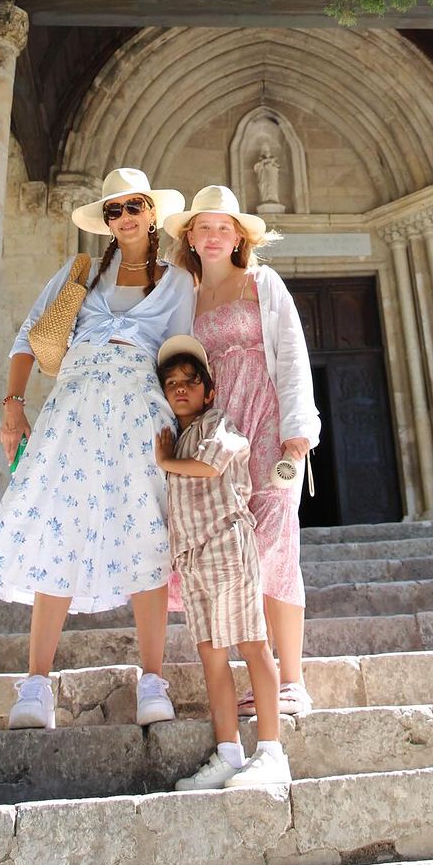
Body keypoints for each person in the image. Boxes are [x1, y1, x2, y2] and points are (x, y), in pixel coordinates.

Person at [0, 167, 195, 731]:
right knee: (57, 526)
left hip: (142, 411)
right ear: (107, 223)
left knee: (146, 531)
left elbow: (185, 355)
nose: (124, 218)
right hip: (75, 408)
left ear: (151, 212)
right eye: (113, 211)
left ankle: (153, 679)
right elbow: (28, 337)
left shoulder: (178, 282)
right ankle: (37, 684)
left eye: (133, 206)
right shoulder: (80, 273)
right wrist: (14, 404)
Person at [164, 185, 320, 717]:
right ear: (190, 236)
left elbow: (293, 354)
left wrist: (299, 428)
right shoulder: (183, 296)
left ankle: (291, 678)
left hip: (267, 422)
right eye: (203, 227)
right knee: (230, 548)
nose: (212, 236)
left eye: (223, 227)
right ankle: (255, 674)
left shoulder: (262, 283)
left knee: (276, 542)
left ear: (238, 238)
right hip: (216, 435)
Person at [154, 335, 291, 791]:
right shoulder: (175, 436)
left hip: (228, 544)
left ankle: (271, 750)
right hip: (193, 559)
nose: (180, 389)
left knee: (252, 642)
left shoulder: (218, 423)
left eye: (190, 382)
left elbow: (211, 467)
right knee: (211, 655)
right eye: (171, 383)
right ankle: (229, 752)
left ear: (208, 391)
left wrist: (165, 462)